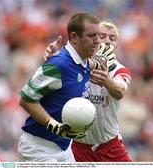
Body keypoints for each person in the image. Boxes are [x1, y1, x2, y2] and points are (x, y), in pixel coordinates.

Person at [18, 12, 100, 162]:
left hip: (64, 148)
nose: (97, 41)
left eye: (98, 36)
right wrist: (53, 125)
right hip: (38, 148)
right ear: (74, 37)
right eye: (91, 36)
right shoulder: (58, 65)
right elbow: (25, 100)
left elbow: (99, 64)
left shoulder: (86, 62)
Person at [45, 21, 132, 162]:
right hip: (76, 147)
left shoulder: (119, 70)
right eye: (102, 36)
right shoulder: (73, 64)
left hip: (109, 146)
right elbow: (50, 81)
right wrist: (52, 61)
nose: (107, 41)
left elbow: (120, 91)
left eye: (112, 38)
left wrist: (106, 81)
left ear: (117, 44)